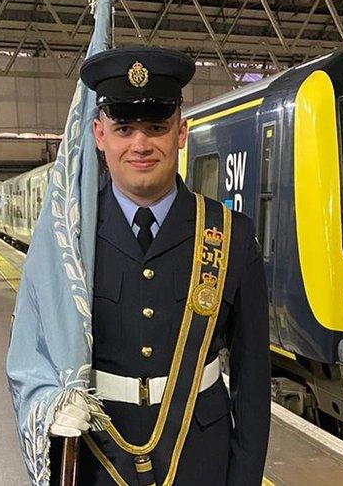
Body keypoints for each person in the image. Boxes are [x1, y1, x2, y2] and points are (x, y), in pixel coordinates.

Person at [46, 47, 271, 485]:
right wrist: (49, 411)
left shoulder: (231, 236)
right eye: (124, 128)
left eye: (156, 127)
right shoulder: (68, 236)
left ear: (180, 133)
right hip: (98, 455)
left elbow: (253, 379)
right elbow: (31, 358)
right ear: (98, 134)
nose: (140, 144)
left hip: (200, 457)